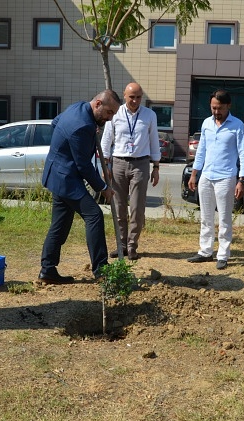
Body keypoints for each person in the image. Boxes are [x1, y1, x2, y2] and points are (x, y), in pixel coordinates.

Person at [38, 90, 119, 284]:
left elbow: (55, 123)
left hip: (56, 174)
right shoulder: (82, 125)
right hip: (66, 179)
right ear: (98, 104)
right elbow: (83, 166)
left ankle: (47, 270)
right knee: (94, 215)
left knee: (60, 225)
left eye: (113, 114)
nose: (110, 118)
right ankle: (101, 270)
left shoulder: (78, 108)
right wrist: (103, 188)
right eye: (109, 113)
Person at [186, 89, 244, 270]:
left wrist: (242, 179)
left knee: (224, 218)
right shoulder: (207, 123)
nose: (216, 112)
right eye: (213, 108)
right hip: (206, 175)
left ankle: (223, 254)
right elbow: (201, 151)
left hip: (226, 177)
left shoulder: (237, 126)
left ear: (228, 106)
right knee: (205, 217)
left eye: (219, 108)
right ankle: (205, 251)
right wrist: (194, 173)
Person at [100, 82, 160, 260]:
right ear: (124, 96)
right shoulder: (116, 113)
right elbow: (106, 139)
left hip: (140, 164)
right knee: (118, 207)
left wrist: (156, 167)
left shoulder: (149, 115)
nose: (135, 100)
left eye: (138, 97)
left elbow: (154, 141)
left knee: (137, 208)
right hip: (118, 163)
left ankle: (133, 245)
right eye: (131, 97)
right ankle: (121, 245)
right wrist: (105, 165)